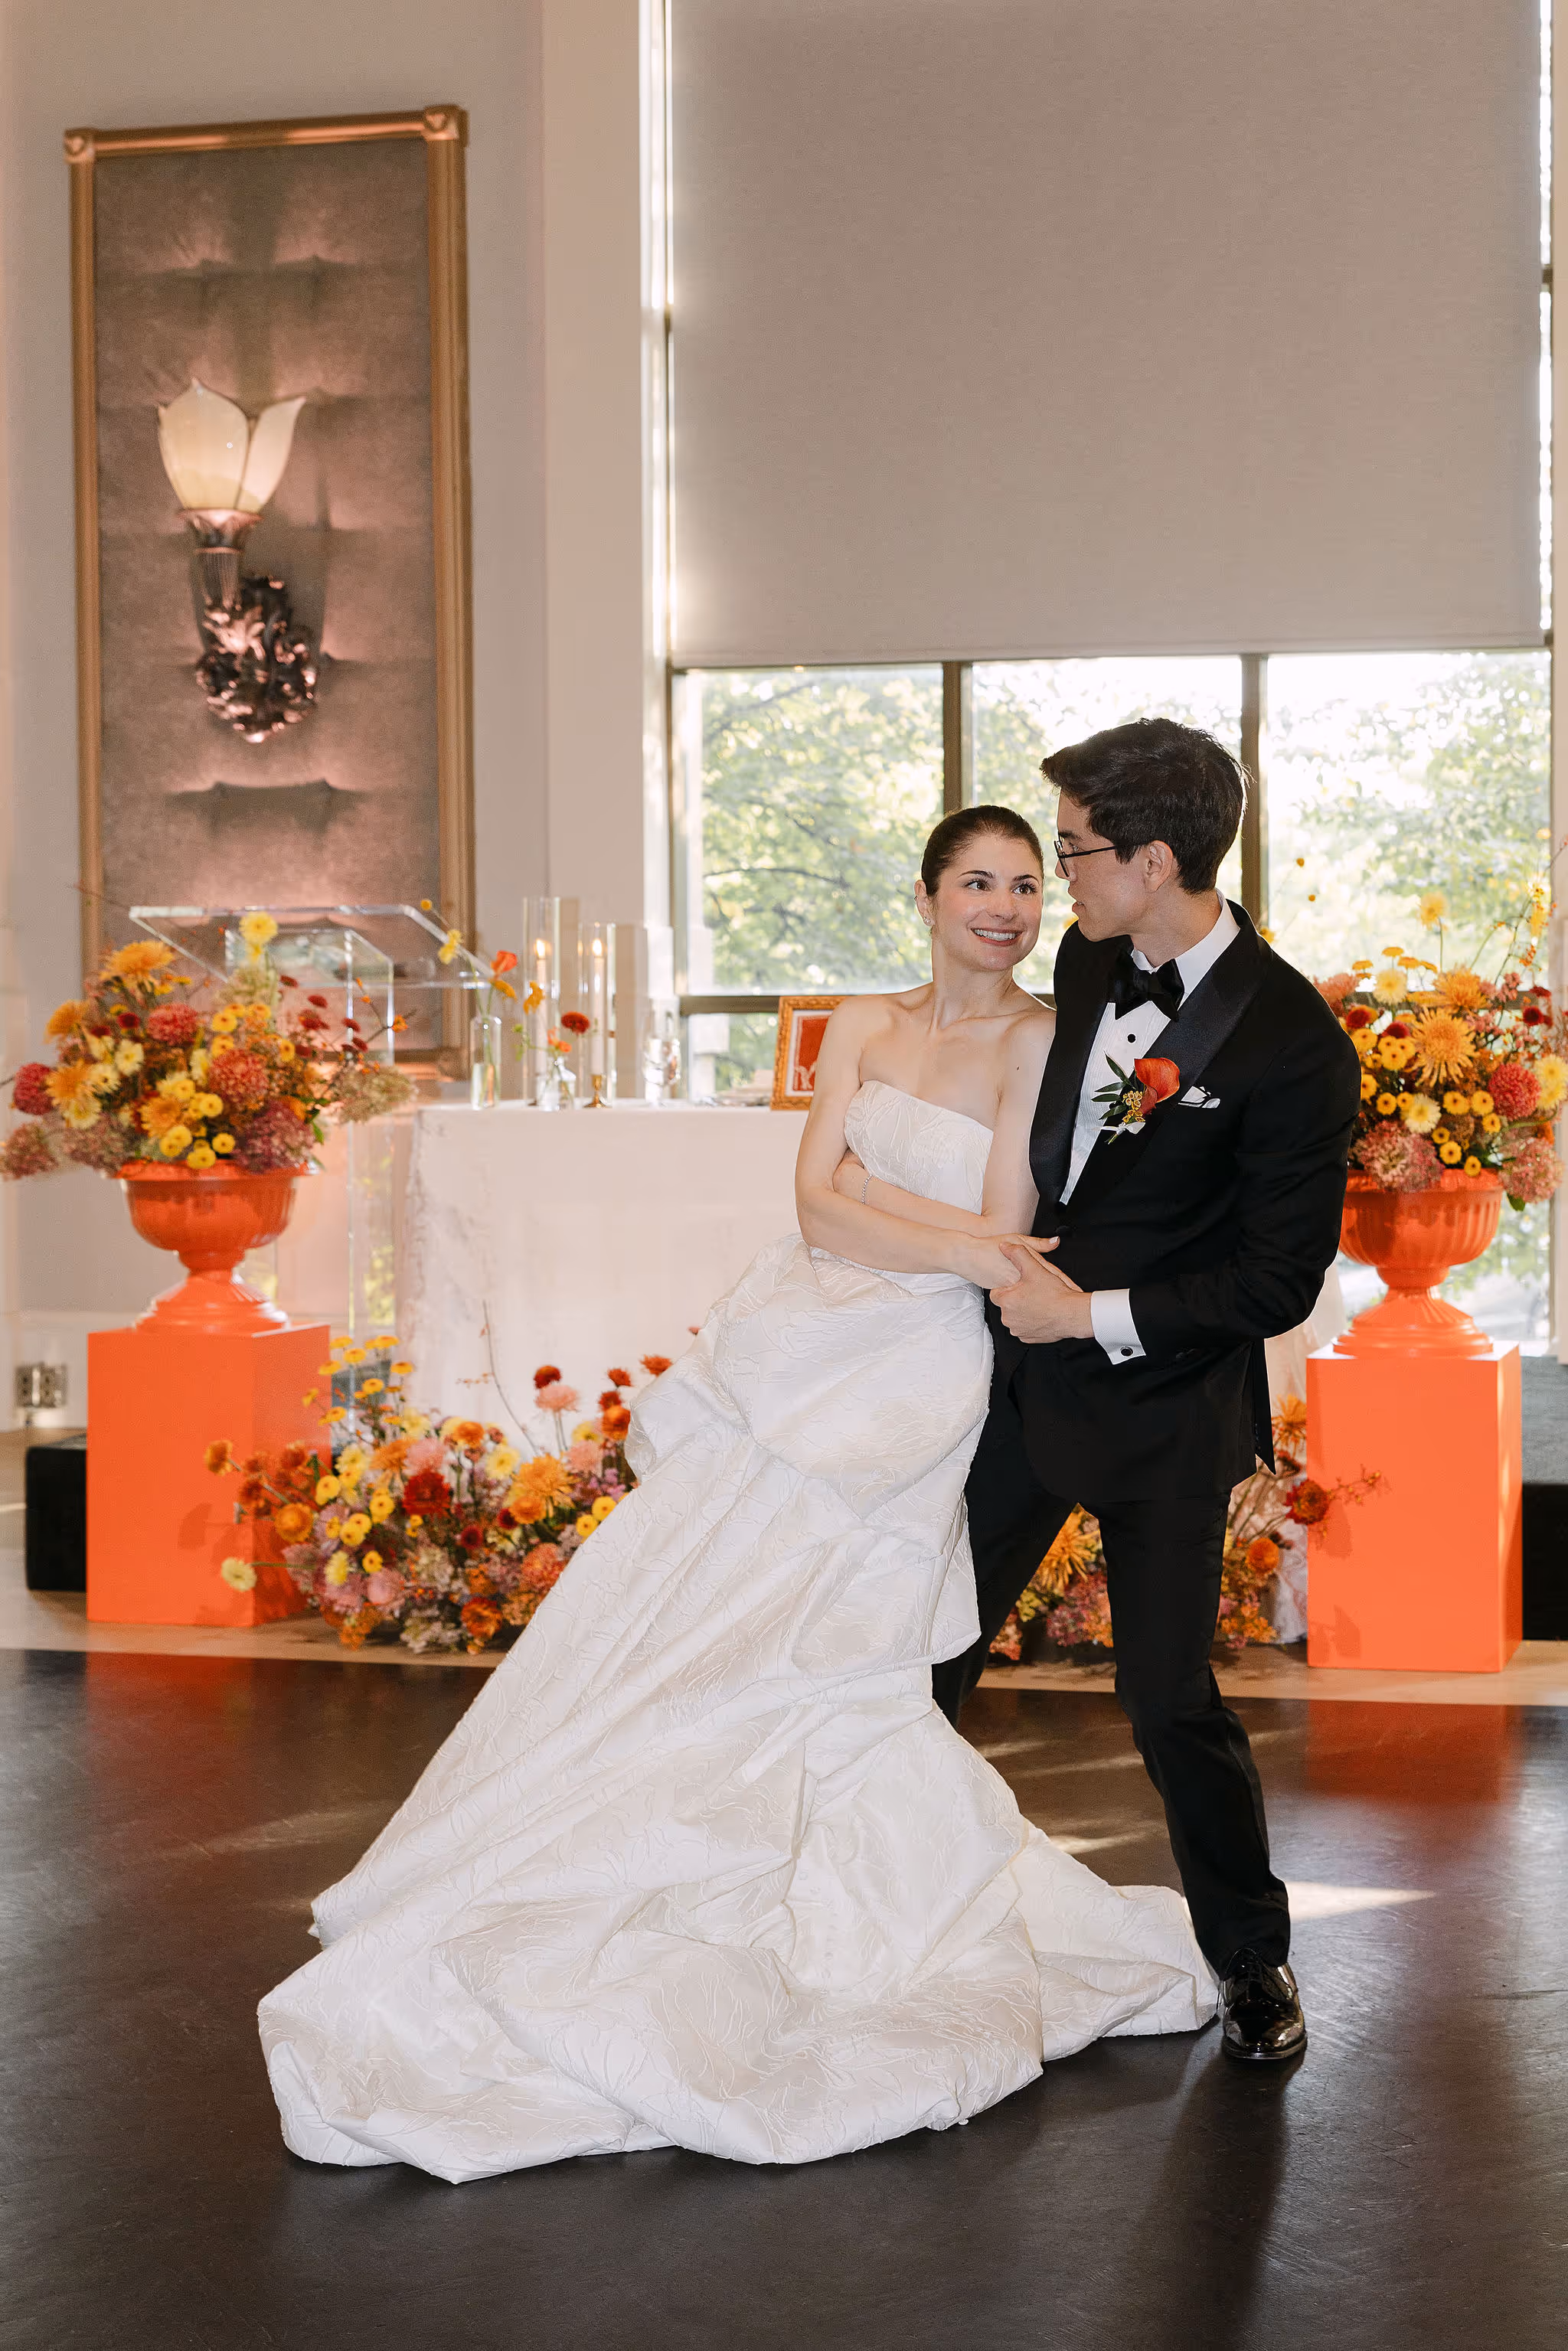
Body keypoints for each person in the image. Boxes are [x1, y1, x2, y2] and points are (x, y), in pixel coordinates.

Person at [259, 804, 1217, 2183]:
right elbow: (811, 1203)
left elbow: (997, 1235)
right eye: (977, 882)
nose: (1004, 907)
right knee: (697, 1590)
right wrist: (900, 1219)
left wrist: (890, 1209)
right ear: (928, 891)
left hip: (913, 1364)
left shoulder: (1037, 1038)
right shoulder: (858, 1022)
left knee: (833, 1639)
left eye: (1024, 883)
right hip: (803, 1322)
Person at [927, 719, 1361, 2064]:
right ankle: (882, 1907)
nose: (1056, 881)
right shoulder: (1088, 953)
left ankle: (1252, 1960)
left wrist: (1094, 1312)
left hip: (1170, 1416)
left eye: (1074, 852)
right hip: (1025, 1399)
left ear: (1155, 857)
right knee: (926, 1650)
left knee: (1170, 1699)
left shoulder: (1295, 1045)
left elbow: (1276, 1280)